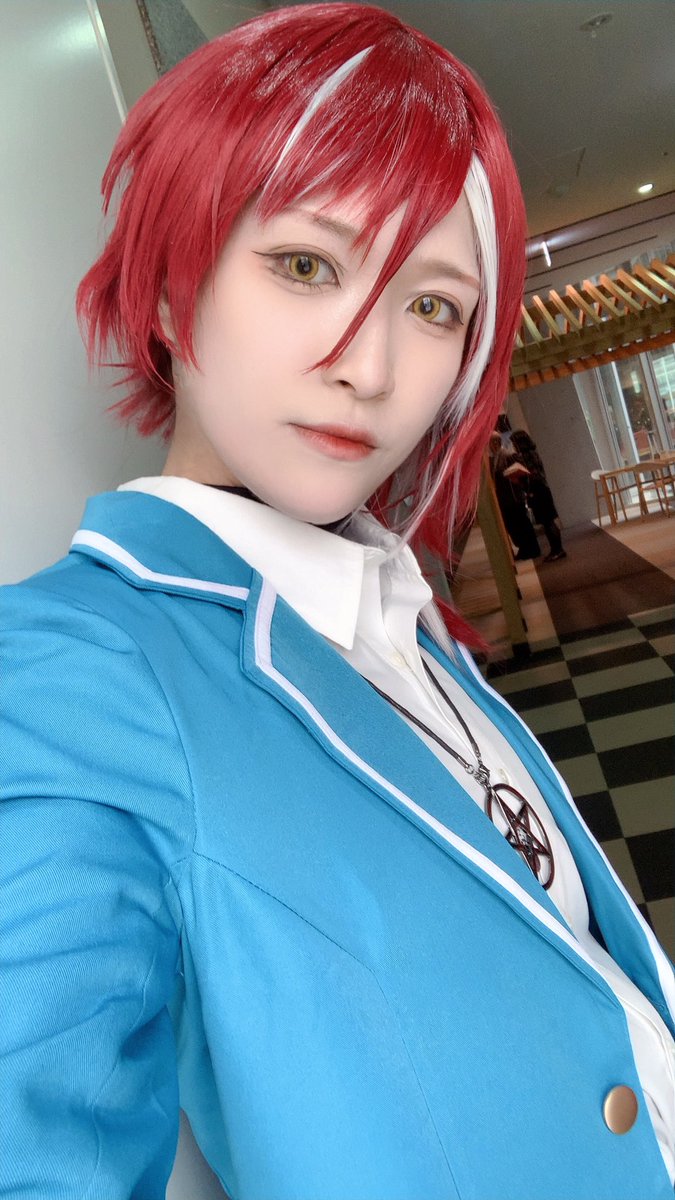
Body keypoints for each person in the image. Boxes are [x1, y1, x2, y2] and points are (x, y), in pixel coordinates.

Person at [1, 6, 673, 1198]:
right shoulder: (74, 666)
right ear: (171, 289)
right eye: (307, 264)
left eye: (434, 305)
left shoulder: (388, 602)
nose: (372, 368)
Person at [510, 427, 567, 561]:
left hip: (538, 491)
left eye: (515, 443)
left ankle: (557, 550)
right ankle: (556, 549)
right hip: (542, 489)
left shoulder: (526, 456)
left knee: (548, 522)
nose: (514, 446)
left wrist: (519, 477)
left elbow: (531, 474)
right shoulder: (532, 453)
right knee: (549, 521)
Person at [488, 429, 542, 559]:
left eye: (490, 442)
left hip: (513, 496)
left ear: (496, 442)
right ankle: (524, 548)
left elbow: (521, 471)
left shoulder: (507, 455)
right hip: (505, 497)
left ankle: (531, 549)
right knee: (513, 525)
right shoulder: (496, 457)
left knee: (521, 523)